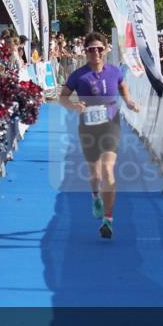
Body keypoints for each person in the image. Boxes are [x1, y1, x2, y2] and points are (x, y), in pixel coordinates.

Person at [58, 32, 140, 239]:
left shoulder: (114, 71)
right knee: (95, 174)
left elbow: (122, 85)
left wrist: (128, 101)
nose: (95, 52)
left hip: (111, 124)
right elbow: (63, 97)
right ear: (85, 52)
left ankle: (108, 219)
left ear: (106, 50)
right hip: (88, 127)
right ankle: (96, 196)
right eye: (91, 49)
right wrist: (73, 106)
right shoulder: (78, 75)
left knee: (108, 170)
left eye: (99, 49)